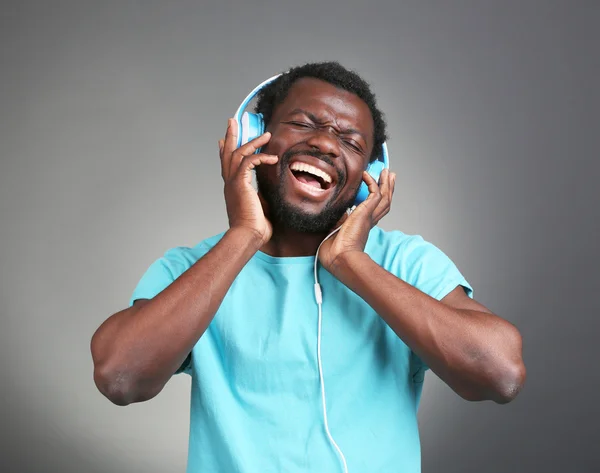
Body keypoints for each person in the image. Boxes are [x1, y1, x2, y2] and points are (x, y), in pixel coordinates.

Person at [90, 61, 526, 473]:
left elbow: (500, 374)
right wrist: (243, 235)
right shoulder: (192, 270)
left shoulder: (405, 263)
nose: (325, 144)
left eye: (352, 143)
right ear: (252, 135)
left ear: (368, 177)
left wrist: (350, 261)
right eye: (303, 123)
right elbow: (120, 377)